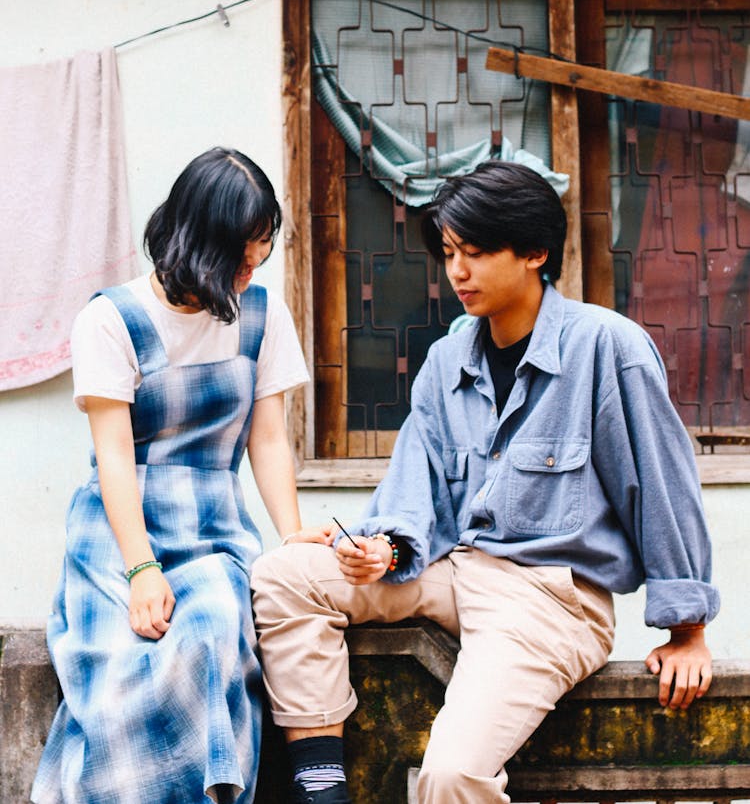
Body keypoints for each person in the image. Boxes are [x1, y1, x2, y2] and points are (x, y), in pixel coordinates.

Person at [251, 159, 720, 804]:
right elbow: (418, 481)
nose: (457, 272)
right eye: (449, 252)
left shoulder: (607, 347)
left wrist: (686, 631)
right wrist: (384, 548)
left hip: (550, 599)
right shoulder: (447, 362)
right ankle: (320, 786)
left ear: (535, 252)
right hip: (454, 572)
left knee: (450, 776)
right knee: (283, 575)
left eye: (474, 252)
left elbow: (661, 488)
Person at [32, 147, 333, 804]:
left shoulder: (262, 315)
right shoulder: (111, 318)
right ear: (200, 241)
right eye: (241, 255)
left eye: (262, 253)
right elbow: (113, 453)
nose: (252, 270)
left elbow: (270, 436)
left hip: (216, 531)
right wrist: (140, 570)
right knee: (116, 679)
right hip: (120, 535)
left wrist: (292, 533)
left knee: (213, 628)